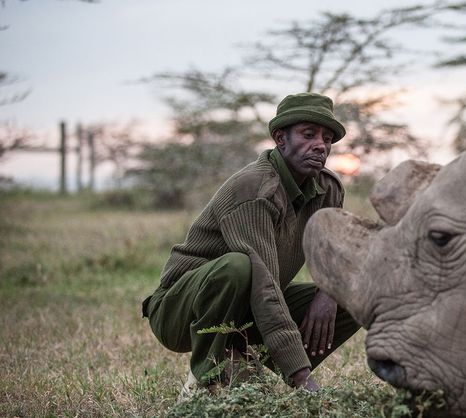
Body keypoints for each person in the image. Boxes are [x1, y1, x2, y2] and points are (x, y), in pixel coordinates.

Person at [141, 92, 360, 396]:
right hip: (180, 310)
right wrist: (301, 378)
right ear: (280, 139)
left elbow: (337, 250)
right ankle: (208, 378)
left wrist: (329, 292)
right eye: (308, 135)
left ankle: (244, 362)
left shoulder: (328, 188)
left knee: (352, 296)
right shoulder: (256, 189)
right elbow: (264, 283)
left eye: (327, 138)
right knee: (239, 266)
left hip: (246, 308)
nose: (321, 145)